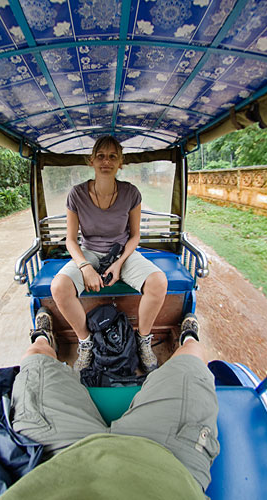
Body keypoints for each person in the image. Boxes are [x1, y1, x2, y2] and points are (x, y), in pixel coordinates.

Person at [1, 308, 220, 500]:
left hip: (56, 460)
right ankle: (189, 338)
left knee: (35, 356)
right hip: (169, 466)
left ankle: (42, 338)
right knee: (192, 359)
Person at [50, 135, 168, 372]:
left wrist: (119, 263)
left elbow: (135, 236)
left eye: (112, 156)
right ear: (91, 160)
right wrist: (85, 267)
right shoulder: (76, 194)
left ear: (120, 162)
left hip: (122, 253)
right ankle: (86, 342)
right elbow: (71, 241)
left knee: (158, 282)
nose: (106, 161)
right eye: (101, 156)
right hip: (89, 252)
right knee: (59, 287)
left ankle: (143, 341)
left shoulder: (131, 193)